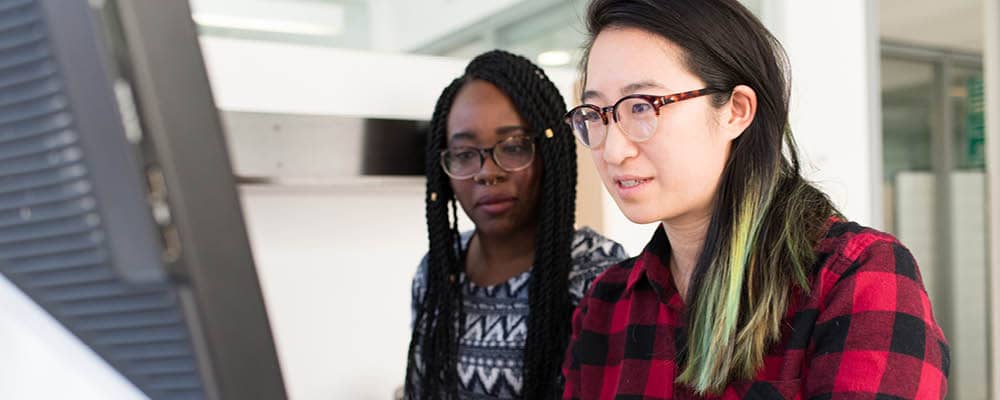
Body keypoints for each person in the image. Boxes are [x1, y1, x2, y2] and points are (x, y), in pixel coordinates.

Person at [560, 1, 949, 398]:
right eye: (596, 114)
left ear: (736, 110)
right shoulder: (606, 305)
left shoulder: (856, 277)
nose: (612, 151)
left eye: (642, 106)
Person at [404, 50, 627, 399]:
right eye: (464, 154)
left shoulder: (598, 277)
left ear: (549, 153)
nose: (487, 173)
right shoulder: (435, 272)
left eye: (513, 147)